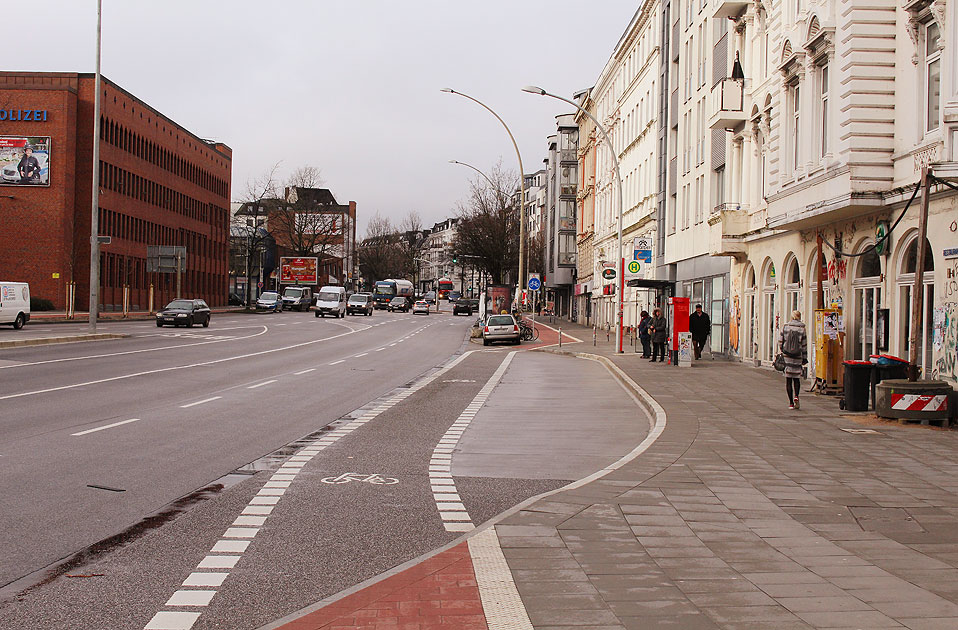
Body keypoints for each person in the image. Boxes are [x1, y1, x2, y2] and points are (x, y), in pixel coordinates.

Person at [779, 309, 808, 409]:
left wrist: (783, 351)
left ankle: (791, 403)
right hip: (797, 356)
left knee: (788, 380)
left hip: (788, 356)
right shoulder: (802, 328)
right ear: (799, 317)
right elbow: (804, 345)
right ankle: (796, 396)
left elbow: (780, 341)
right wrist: (804, 357)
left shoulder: (785, 327)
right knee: (796, 379)